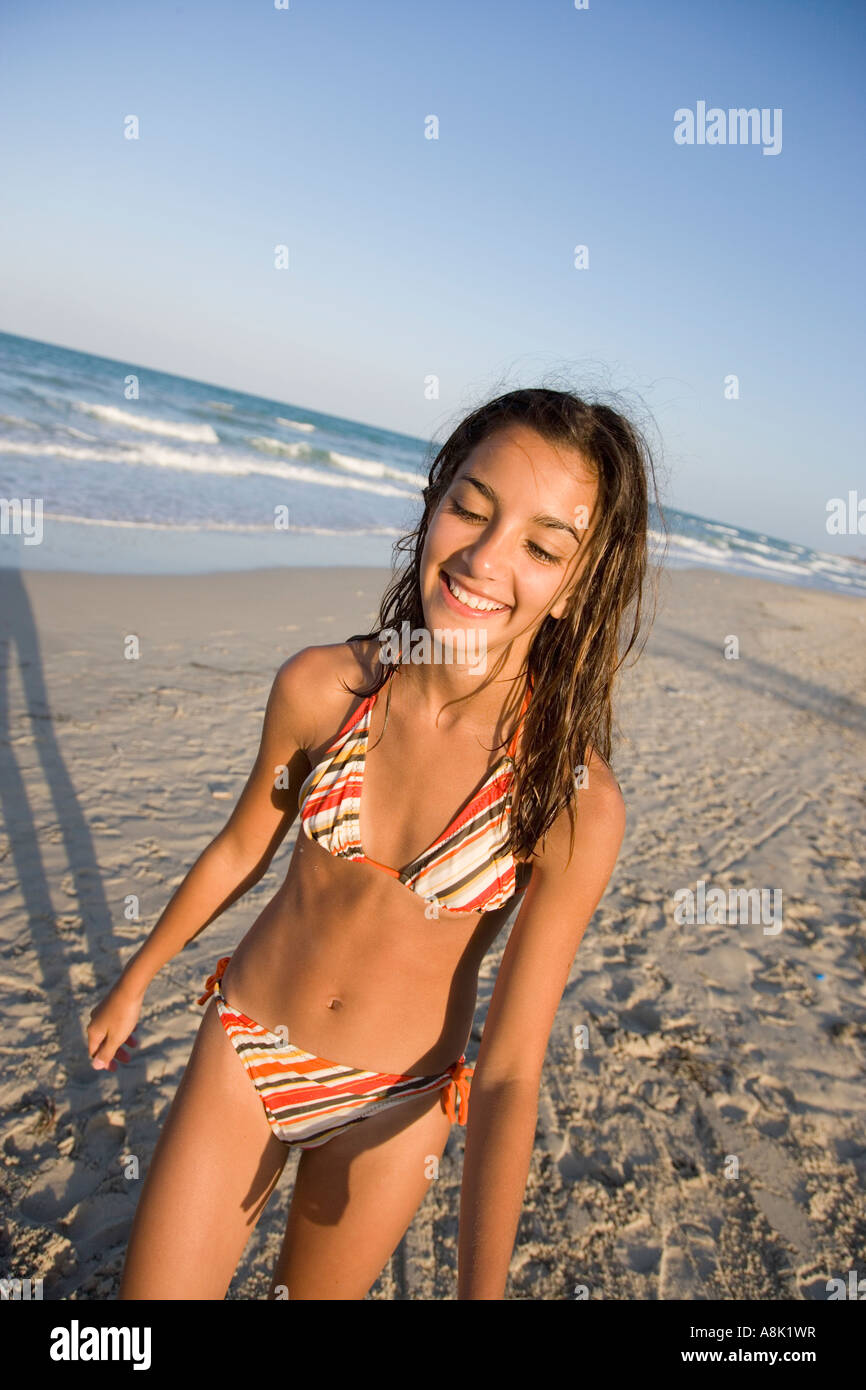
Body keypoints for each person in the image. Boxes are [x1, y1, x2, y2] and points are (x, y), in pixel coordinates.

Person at [88, 385, 664, 1300]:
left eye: (542, 546)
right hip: (243, 1047)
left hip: (396, 1107)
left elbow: (511, 1069)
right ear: (434, 507)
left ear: (576, 588)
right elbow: (242, 848)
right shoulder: (322, 690)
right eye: (470, 508)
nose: (482, 557)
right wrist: (139, 975)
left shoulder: (571, 801)